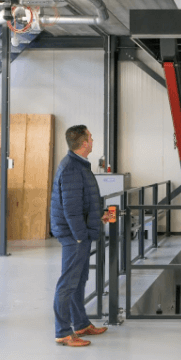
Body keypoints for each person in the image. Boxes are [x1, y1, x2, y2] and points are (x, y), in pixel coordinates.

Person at [51, 125, 111, 347]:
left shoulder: (79, 166)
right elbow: (71, 210)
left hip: (80, 234)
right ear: (84, 143)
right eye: (91, 137)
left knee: (79, 281)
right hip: (74, 237)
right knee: (67, 284)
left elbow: (83, 202)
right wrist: (79, 237)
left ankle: (81, 324)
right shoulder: (71, 169)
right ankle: (63, 332)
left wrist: (99, 216)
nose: (93, 141)